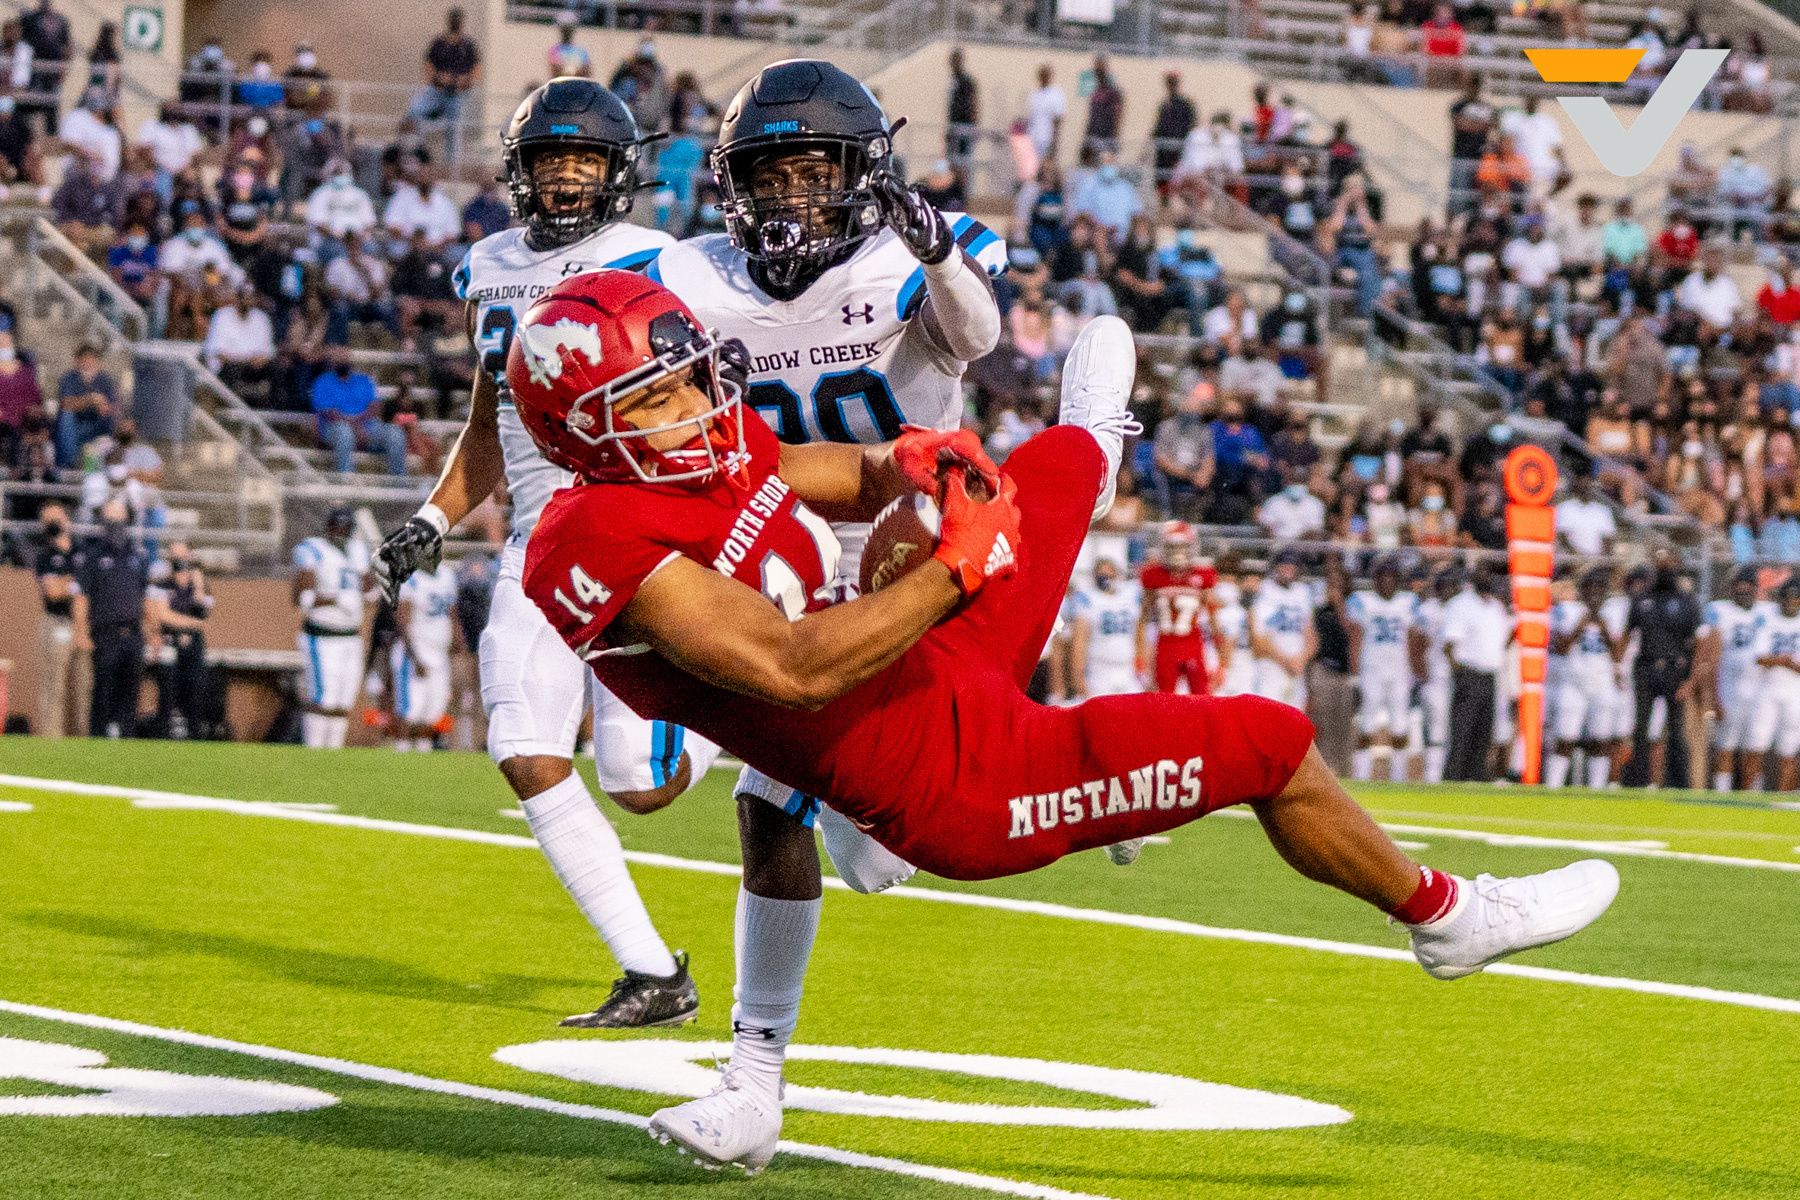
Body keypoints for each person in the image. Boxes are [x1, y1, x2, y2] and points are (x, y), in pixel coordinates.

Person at [510, 268, 1620, 1173]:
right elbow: (791, 669)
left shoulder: (693, 445)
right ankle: (1447, 917)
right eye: (657, 397)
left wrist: (902, 461)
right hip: (954, 778)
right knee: (1270, 743)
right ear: (583, 432)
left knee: (1041, 463)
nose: (697, 402)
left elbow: (803, 467)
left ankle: (1101, 442)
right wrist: (954, 566)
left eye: (690, 374)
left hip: (929, 671)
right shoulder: (590, 540)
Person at [641, 59, 1031, 1142]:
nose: (790, 197)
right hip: (779, 553)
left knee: (800, 814)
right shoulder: (689, 273)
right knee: (810, 819)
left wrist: (936, 250)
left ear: (863, 175)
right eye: (769, 177)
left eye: (814, 173)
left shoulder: (910, 252)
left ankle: (753, 1082)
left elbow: (978, 340)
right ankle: (755, 1081)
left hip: (912, 556)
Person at [371, 78, 709, 1032]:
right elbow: (489, 425)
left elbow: (708, 401)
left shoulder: (662, 261)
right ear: (519, 172)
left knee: (639, 785)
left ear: (618, 173)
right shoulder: (485, 265)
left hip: (638, 527)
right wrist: (433, 520)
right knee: (520, 745)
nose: (565, 178)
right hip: (538, 541)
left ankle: (747, 713)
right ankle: (652, 973)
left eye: (584, 162)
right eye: (549, 161)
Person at [292, 506, 370, 749]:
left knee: (343, 700)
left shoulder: (358, 550)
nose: (342, 533)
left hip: (351, 637)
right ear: (330, 527)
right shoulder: (312, 550)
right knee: (322, 697)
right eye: (339, 527)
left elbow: (368, 588)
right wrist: (336, 598)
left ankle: (333, 754)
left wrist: (373, 586)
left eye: (346, 528)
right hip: (322, 636)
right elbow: (302, 598)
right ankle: (315, 752)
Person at [75, 497, 150, 738]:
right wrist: (81, 631)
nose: (114, 521)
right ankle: (98, 736)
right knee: (103, 688)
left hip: (133, 631)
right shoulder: (92, 554)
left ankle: (126, 736)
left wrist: (152, 630)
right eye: (110, 516)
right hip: (105, 631)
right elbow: (82, 596)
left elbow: (144, 597)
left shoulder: (138, 555)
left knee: (130, 688)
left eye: (118, 516)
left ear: (127, 518)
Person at [1545, 567, 1625, 790]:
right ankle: (1553, 786)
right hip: (1573, 681)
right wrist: (1582, 623)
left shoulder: (1613, 613)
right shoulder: (1568, 611)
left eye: (1599, 589)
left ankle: (1597, 789)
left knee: (1601, 739)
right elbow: (1560, 648)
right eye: (1590, 588)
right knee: (1565, 737)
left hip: (1602, 682)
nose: (1594, 594)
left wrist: (1602, 624)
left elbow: (1618, 652)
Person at [1626, 554, 1701, 789]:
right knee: (1641, 726)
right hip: (1646, 666)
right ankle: (1639, 780)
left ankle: (1678, 782)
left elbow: (1694, 643)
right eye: (1660, 566)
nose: (1664, 571)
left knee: (1676, 730)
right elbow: (1629, 634)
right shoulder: (1643, 599)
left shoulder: (1686, 601)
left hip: (1674, 669)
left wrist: (1689, 679)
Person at [1696, 568, 1771, 792]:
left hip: (1760, 691)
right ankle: (1722, 793)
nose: (1743, 592)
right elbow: (1704, 648)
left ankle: (1753, 794)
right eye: (1739, 588)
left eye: (1748, 588)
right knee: (1725, 746)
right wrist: (1713, 696)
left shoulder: (1768, 611)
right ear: (1731, 589)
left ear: (1756, 590)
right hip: (1728, 688)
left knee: (1755, 748)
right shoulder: (1719, 610)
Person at [1347, 558, 1419, 783]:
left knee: (1400, 725)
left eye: (1391, 577)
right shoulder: (1362, 601)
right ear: (1375, 579)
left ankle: (1398, 777)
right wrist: (1355, 674)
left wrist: (1415, 669)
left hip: (1399, 671)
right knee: (1367, 723)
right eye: (1383, 576)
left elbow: (1412, 638)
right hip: (1372, 670)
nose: (1387, 581)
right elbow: (1356, 637)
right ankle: (1362, 775)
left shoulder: (1408, 601)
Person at [1442, 566, 1511, 782]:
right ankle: (1454, 779)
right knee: (1462, 731)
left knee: (1484, 732)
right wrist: (1460, 674)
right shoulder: (1461, 604)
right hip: (1469, 673)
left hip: (1490, 675)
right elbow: (1449, 644)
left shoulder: (1496, 607)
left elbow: (1501, 641)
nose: (1487, 577)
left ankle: (1475, 777)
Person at [1138, 521, 1218, 695]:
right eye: (1172, 547)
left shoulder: (1202, 575)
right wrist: (1140, 657)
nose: (1177, 552)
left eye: (1182, 547)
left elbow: (1213, 619)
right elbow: (1142, 618)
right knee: (1164, 700)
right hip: (1165, 644)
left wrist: (1220, 659)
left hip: (1193, 643)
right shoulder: (1153, 575)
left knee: (1202, 698)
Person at [391, 557, 461, 751]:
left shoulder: (447, 575)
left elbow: (451, 612)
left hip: (440, 652)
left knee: (433, 711)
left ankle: (424, 753)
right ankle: (401, 753)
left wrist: (458, 638)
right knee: (410, 711)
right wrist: (414, 657)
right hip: (417, 650)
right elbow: (402, 619)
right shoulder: (410, 578)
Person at [34, 504, 90, 738]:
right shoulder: (45, 556)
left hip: (83, 624)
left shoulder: (83, 551)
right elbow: (53, 592)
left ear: (67, 520)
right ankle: (50, 737)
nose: (53, 524)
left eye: (56, 518)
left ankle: (85, 738)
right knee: (53, 682)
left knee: (84, 684)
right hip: (56, 622)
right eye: (48, 520)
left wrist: (69, 582)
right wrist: (76, 581)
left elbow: (90, 586)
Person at [148, 541, 213, 740]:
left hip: (193, 645)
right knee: (168, 693)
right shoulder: (162, 583)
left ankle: (194, 738)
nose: (180, 563)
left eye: (183, 558)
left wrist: (199, 586)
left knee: (194, 692)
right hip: (169, 642)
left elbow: (204, 612)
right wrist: (192, 624)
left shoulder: (198, 583)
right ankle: (163, 737)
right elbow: (163, 615)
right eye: (175, 558)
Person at [1742, 577, 1800, 792]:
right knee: (1756, 744)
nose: (1790, 602)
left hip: (1794, 692)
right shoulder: (1768, 618)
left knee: (1789, 749)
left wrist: (1781, 661)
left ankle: (1782, 798)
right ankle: (1749, 795)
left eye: (1794, 598)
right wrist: (1784, 661)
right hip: (1767, 690)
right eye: (1786, 597)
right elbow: (1759, 657)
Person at [312, 348, 407, 475]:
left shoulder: (364, 380)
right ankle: (346, 478)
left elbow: (376, 406)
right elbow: (328, 413)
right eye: (339, 360)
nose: (343, 362)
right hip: (335, 427)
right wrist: (355, 426)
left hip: (367, 427)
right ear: (333, 362)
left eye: (345, 359)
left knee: (395, 432)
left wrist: (359, 424)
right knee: (344, 432)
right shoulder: (322, 382)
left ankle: (398, 480)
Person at [1250, 549, 1315, 706]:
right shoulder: (1266, 590)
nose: (1288, 568)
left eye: (1292, 564)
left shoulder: (1302, 592)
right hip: (1271, 667)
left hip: (1297, 667)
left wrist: (1301, 660)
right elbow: (1259, 639)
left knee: (1296, 715)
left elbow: (1311, 634)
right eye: (1284, 564)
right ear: (1276, 566)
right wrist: (1286, 662)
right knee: (1268, 714)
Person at [1412, 566, 1458, 783]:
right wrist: (1421, 673)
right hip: (1435, 677)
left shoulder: (1460, 608)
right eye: (1445, 584)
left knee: (1452, 729)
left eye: (1452, 585)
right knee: (1436, 728)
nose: (1448, 589)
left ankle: (1448, 774)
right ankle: (1433, 776)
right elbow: (1416, 642)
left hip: (1459, 678)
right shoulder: (1428, 610)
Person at [410, 8, 480, 129]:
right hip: (437, 90)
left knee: (453, 125)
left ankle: (451, 141)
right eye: (454, 19)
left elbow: (477, 67)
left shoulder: (468, 45)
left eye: (458, 19)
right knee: (415, 111)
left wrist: (465, 80)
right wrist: (438, 78)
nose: (456, 22)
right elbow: (428, 64)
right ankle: (417, 137)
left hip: (458, 93)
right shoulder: (439, 43)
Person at [53, 343, 116, 469]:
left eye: (92, 359)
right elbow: (66, 404)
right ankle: (68, 464)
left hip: (97, 426)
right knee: (66, 417)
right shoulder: (69, 378)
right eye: (85, 359)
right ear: (77, 361)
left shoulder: (106, 381)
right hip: (74, 426)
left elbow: (109, 409)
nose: (88, 363)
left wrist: (97, 404)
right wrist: (91, 399)